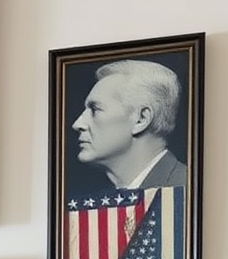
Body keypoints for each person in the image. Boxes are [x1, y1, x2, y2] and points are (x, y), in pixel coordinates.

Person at [71, 57, 187, 191]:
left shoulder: (187, 187)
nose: (77, 124)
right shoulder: (101, 199)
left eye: (95, 109)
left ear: (141, 119)